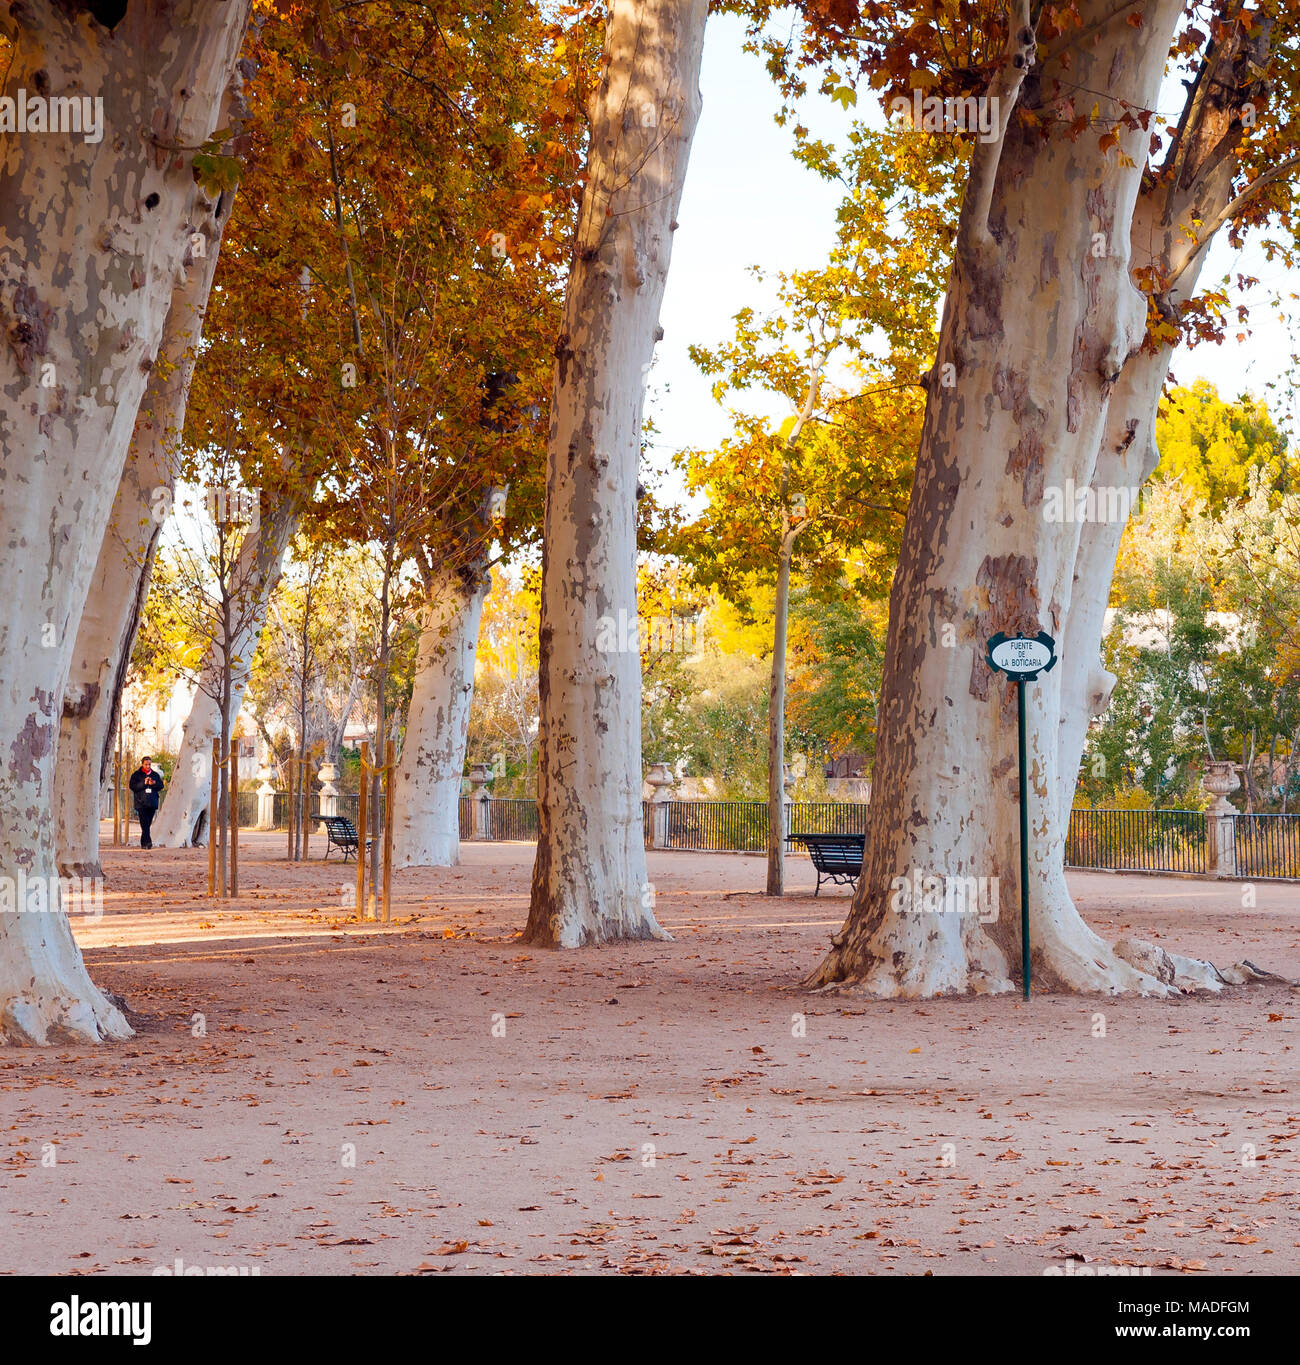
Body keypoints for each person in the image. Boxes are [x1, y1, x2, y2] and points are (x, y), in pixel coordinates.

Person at [128, 756, 165, 849]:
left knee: (147, 824)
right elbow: (133, 786)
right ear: (142, 764)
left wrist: (154, 783)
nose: (148, 766)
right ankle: (148, 843)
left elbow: (161, 786)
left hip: (152, 803)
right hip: (141, 803)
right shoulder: (136, 775)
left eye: (149, 764)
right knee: (144, 823)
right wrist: (144, 783)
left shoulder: (155, 775)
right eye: (146, 764)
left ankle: (144, 843)